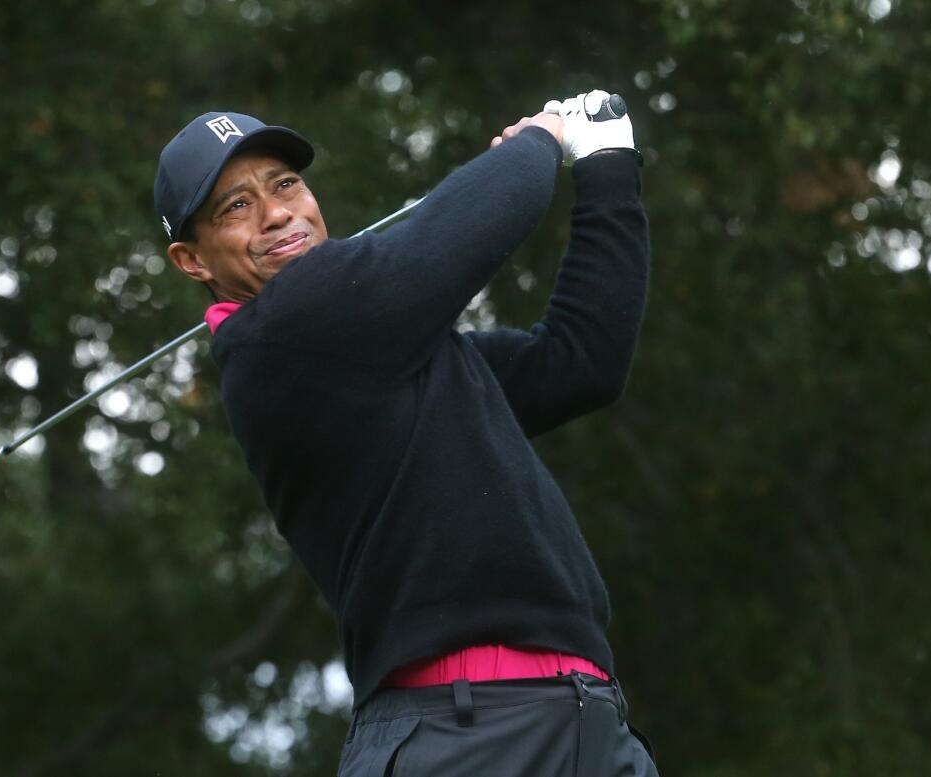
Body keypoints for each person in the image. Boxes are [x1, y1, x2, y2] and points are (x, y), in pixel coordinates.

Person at [154, 91, 655, 777]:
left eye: (285, 183)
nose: (277, 213)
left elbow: (580, 362)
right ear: (193, 260)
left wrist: (607, 168)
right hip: (457, 734)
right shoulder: (281, 335)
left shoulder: (384, 352)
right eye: (235, 206)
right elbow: (461, 233)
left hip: (584, 720)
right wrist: (543, 135)